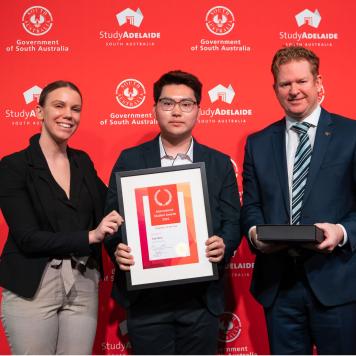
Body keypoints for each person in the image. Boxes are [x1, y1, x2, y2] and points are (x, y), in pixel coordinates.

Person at [104, 70, 241, 355]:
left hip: (201, 299)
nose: (176, 111)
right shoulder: (130, 160)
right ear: (154, 108)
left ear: (198, 111)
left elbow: (232, 221)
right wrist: (117, 247)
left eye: (186, 104)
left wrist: (224, 244)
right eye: (167, 103)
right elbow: (111, 220)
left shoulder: (218, 163)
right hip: (146, 300)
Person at [241, 46, 356, 354]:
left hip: (337, 283)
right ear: (275, 89)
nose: (294, 91)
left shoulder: (351, 134)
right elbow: (251, 205)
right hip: (279, 288)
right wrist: (255, 234)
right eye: (285, 84)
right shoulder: (258, 143)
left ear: (319, 83)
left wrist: (341, 232)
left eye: (301, 81)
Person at [0, 80, 123, 354]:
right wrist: (90, 236)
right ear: (39, 112)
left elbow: (113, 207)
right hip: (33, 285)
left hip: (83, 280)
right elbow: (27, 238)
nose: (68, 114)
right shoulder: (13, 166)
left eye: (75, 109)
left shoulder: (82, 161)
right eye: (59, 105)